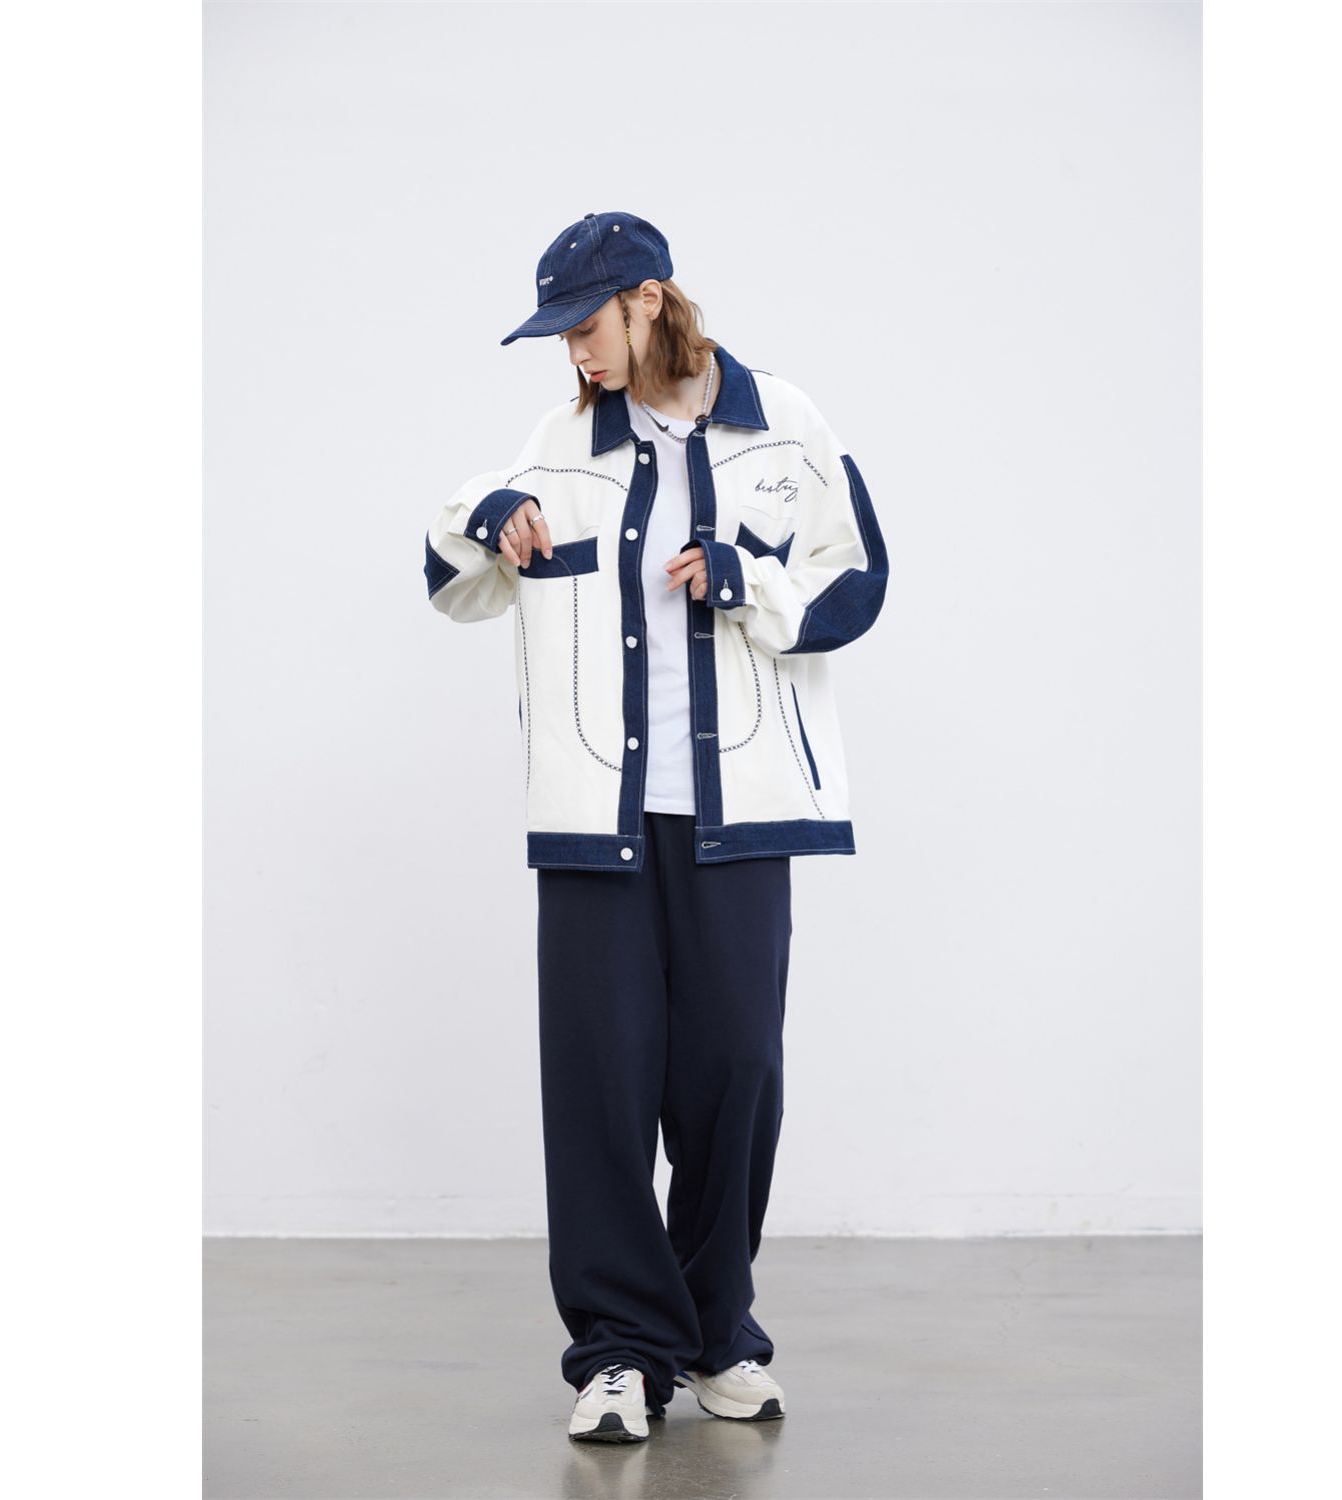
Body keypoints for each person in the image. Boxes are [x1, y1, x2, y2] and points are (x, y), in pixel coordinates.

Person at [424, 211, 889, 1443]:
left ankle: (715, 1331)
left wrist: (747, 581)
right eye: (560, 337)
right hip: (597, 819)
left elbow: (860, 583)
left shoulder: (785, 426)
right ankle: (621, 1354)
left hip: (745, 813)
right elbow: (453, 582)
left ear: (648, 300)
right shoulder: (561, 443)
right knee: (602, 1089)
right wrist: (488, 513)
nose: (575, 353)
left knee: (737, 1076)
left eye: (586, 326)